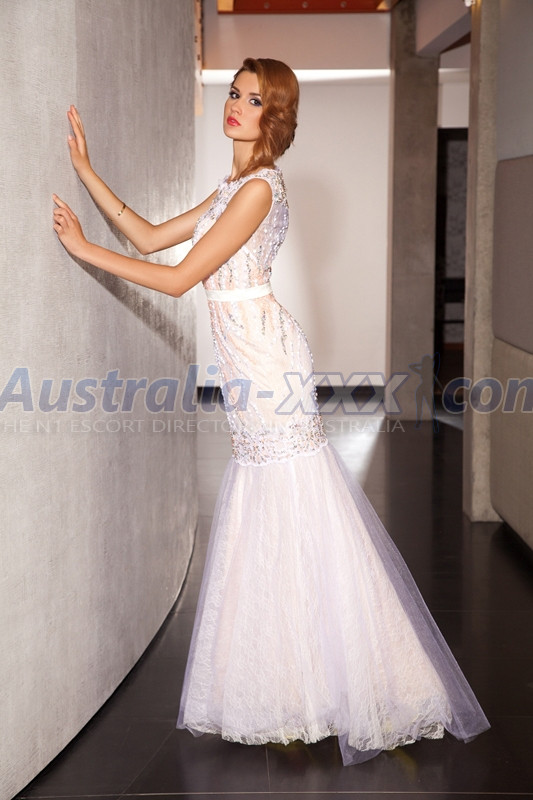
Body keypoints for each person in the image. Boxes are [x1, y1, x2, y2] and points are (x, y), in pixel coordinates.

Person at [53, 57, 490, 766]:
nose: (235, 105)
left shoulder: (258, 190)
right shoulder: (233, 186)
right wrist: (88, 170)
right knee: (273, 506)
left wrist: (82, 249)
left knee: (295, 503)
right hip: (246, 359)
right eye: (234, 93)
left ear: (275, 115)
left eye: (253, 99)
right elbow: (153, 236)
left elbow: (178, 279)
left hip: (265, 360)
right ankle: (294, 686)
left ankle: (369, 685)